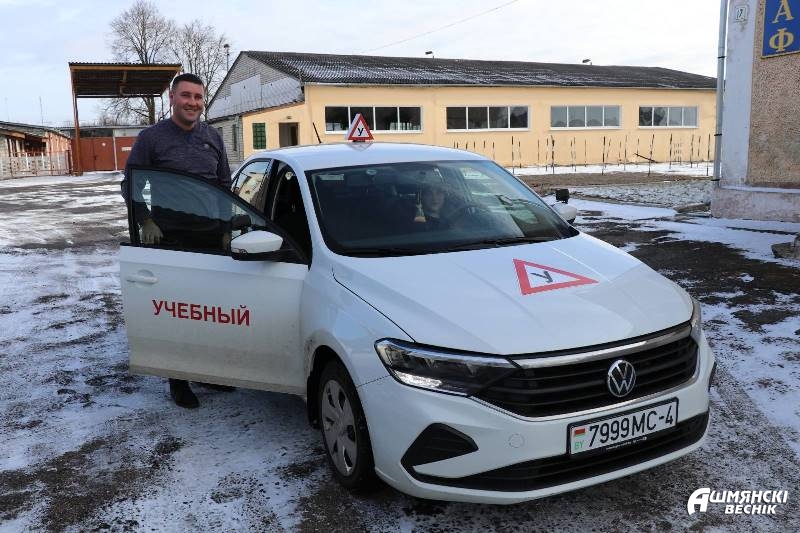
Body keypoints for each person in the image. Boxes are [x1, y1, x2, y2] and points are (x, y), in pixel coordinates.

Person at [121, 72, 233, 409]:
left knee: (211, 311)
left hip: (210, 237)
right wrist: (146, 220)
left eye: (198, 97)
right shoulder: (152, 138)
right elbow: (132, 184)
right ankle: (179, 380)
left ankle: (208, 372)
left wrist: (227, 228)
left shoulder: (213, 137)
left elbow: (224, 185)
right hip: (170, 237)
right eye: (186, 95)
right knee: (178, 312)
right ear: (172, 98)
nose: (192, 103)